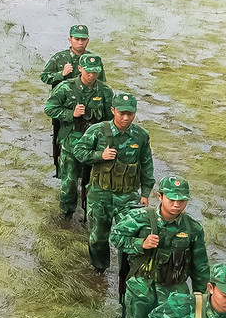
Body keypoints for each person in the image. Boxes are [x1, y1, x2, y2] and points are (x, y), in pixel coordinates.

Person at [109, 173, 210, 318]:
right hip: (141, 286)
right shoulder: (140, 218)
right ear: (160, 196)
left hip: (174, 290)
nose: (177, 205)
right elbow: (116, 237)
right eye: (172, 199)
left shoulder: (192, 229)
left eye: (182, 200)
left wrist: (202, 301)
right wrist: (141, 244)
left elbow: (200, 266)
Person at [70, 91, 154, 276]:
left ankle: (127, 274)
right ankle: (99, 268)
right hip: (100, 194)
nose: (125, 118)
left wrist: (145, 194)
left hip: (128, 196)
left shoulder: (141, 136)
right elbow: (79, 151)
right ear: (113, 110)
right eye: (121, 113)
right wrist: (100, 155)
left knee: (130, 236)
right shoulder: (98, 131)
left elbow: (147, 165)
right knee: (98, 237)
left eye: (130, 114)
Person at [44, 54, 113, 219]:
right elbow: (49, 109)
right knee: (69, 181)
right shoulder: (65, 88)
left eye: (95, 72)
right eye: (88, 72)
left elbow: (110, 120)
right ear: (80, 69)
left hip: (94, 145)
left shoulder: (105, 91)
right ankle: (66, 214)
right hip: (71, 142)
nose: (92, 75)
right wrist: (70, 113)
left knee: (93, 182)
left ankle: (89, 213)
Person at [40, 25, 108, 174]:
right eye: (77, 39)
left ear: (88, 40)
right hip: (64, 106)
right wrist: (60, 74)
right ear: (70, 40)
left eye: (83, 39)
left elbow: (102, 84)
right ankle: (60, 168)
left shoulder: (94, 60)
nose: (80, 43)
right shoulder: (60, 58)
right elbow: (44, 76)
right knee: (60, 138)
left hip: (89, 108)